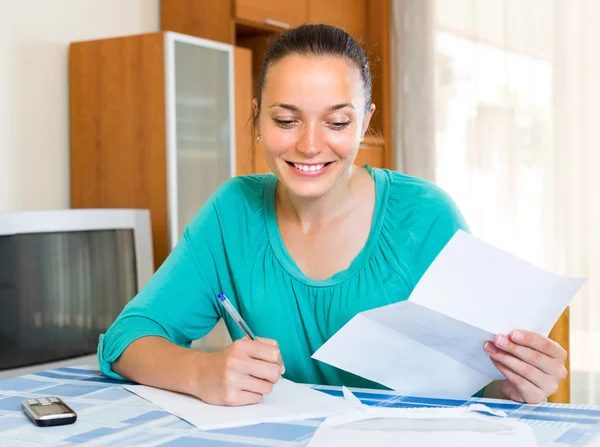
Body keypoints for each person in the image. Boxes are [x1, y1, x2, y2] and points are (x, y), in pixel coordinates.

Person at [98, 24, 568, 406]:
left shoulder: (425, 217)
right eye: (286, 120)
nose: (308, 145)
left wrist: (516, 387)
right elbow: (125, 340)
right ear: (258, 117)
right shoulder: (232, 211)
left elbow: (478, 383)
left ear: (365, 121)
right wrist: (202, 371)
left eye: (338, 122)